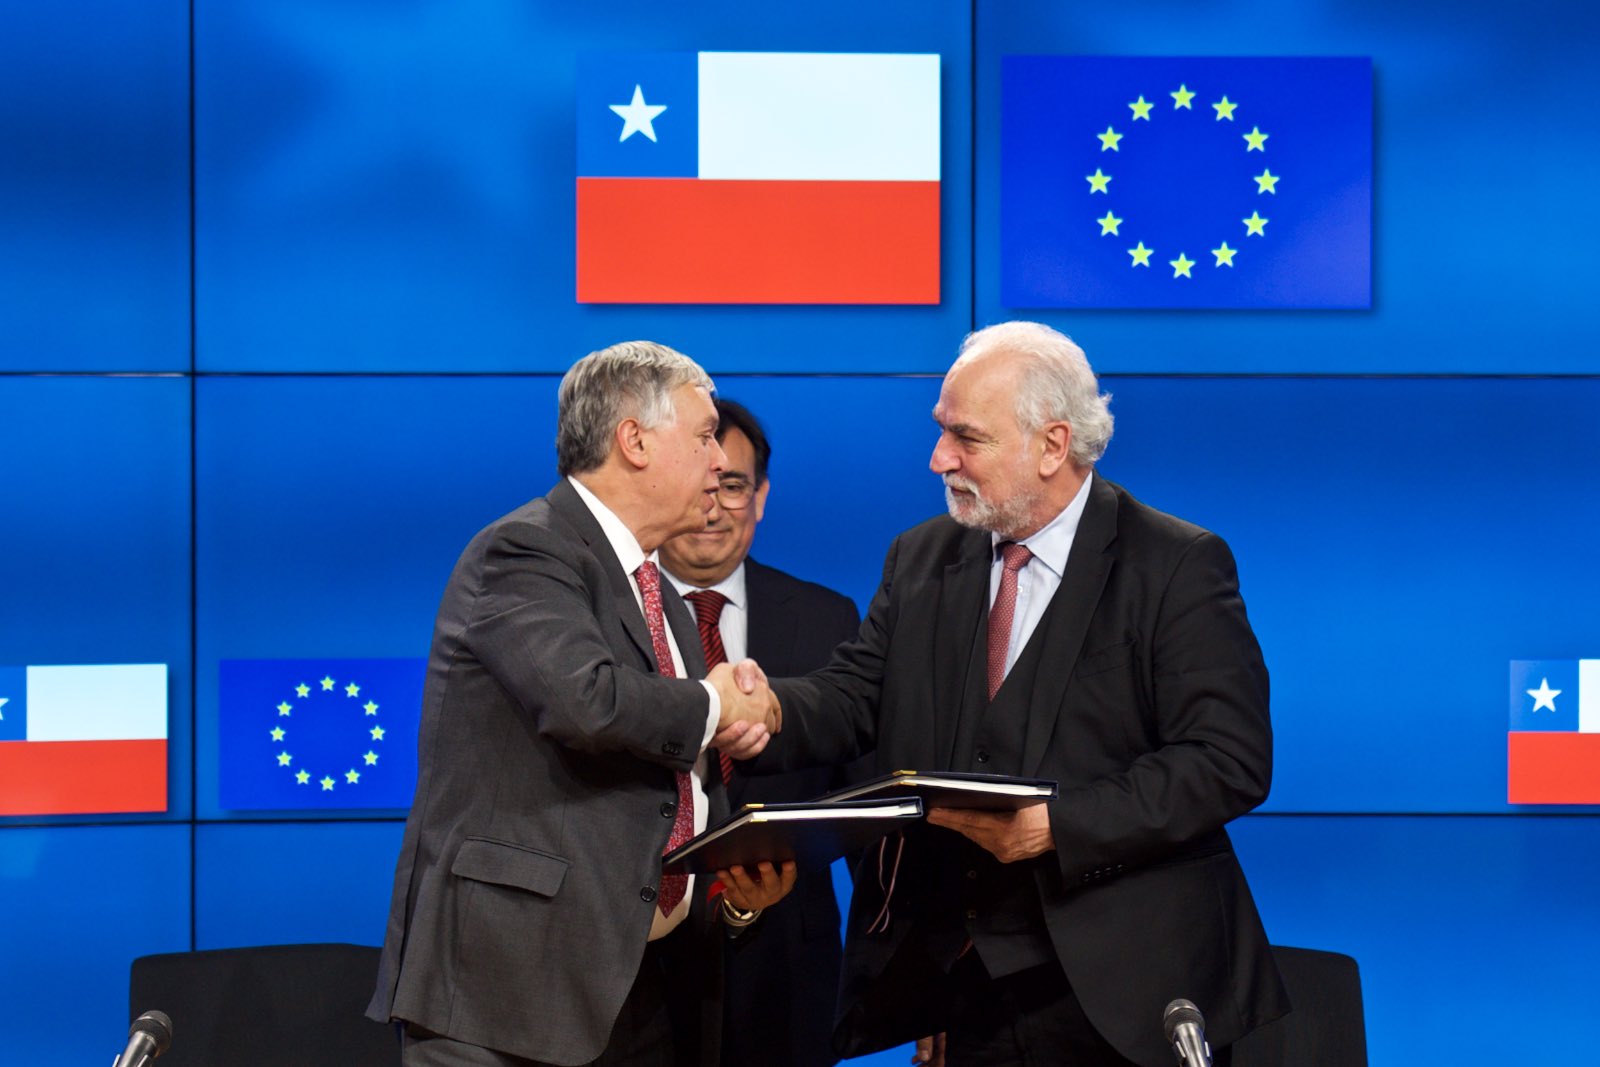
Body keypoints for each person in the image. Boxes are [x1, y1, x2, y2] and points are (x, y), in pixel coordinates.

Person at [742, 321, 1289, 1067]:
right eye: (941, 430)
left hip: (1127, 993)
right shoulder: (921, 555)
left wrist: (1056, 826)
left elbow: (1227, 759)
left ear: (1052, 445)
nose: (939, 458)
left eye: (966, 438)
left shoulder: (1175, 564)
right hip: (964, 990)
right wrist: (767, 708)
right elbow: (856, 695)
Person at [368, 341, 796, 1067]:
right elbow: (586, 702)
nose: (717, 463)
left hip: (641, 991)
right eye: (702, 437)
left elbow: (665, 784)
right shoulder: (526, 550)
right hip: (509, 997)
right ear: (634, 441)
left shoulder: (657, 590)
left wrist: (733, 890)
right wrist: (715, 705)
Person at [658, 398, 861, 1067]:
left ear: (761, 497)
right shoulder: (608, 616)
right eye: (700, 486)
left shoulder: (828, 619)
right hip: (640, 973)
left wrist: (917, 976)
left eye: (734, 486)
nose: (714, 508)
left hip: (789, 977)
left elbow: (869, 805)